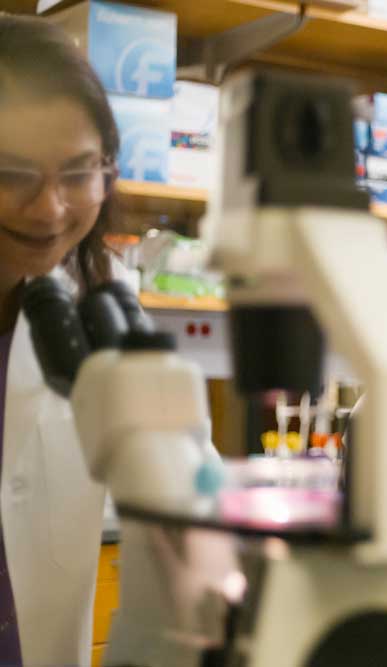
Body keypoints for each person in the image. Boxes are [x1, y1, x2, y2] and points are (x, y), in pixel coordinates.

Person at [0, 15, 124, 666]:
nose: (49, 209)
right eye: (14, 173)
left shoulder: (103, 300)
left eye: (78, 172)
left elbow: (184, 480)